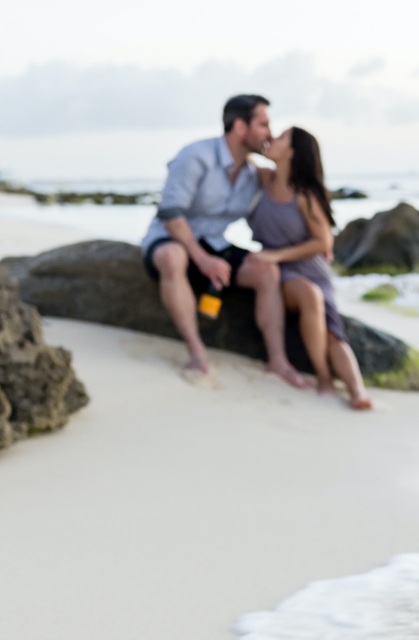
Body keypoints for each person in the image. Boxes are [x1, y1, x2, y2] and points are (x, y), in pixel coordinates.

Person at [138, 94, 312, 387]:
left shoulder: (254, 174)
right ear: (240, 127)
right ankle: (196, 353)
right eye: (263, 124)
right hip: (174, 239)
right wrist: (202, 258)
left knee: (266, 270)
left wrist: (318, 244)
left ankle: (278, 361)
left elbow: (290, 203)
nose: (269, 133)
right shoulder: (196, 156)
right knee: (172, 257)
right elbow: (170, 212)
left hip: (218, 244)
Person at [248, 127, 372, 410]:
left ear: (292, 152)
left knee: (333, 332)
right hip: (283, 273)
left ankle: (358, 392)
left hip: (309, 268)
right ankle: (324, 377)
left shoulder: (304, 194)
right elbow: (245, 154)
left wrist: (275, 255)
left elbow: (323, 241)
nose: (272, 139)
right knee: (309, 295)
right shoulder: (264, 179)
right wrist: (261, 141)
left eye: (280, 138)